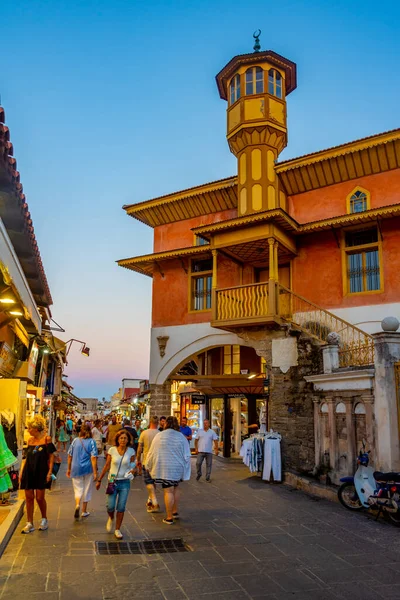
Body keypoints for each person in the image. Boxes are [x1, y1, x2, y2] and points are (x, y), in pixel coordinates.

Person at [145, 416, 191, 525]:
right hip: (178, 467)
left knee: (168, 490)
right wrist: (186, 469)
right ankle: (174, 511)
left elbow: (152, 452)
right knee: (176, 487)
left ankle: (169, 517)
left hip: (165, 467)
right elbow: (187, 454)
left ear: (166, 424)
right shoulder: (181, 437)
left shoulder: (159, 436)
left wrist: (148, 465)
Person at [96, 429, 136, 539]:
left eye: (125, 438)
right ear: (118, 439)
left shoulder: (131, 451)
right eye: (121, 438)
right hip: (112, 482)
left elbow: (133, 465)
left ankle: (117, 529)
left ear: (128, 440)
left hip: (124, 482)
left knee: (121, 507)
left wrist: (133, 470)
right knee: (110, 506)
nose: (123, 440)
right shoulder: (112, 450)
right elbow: (107, 465)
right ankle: (110, 517)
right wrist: (99, 480)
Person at [19, 415, 56, 534]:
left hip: (41, 471)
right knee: (29, 498)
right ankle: (29, 523)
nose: (28, 430)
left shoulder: (46, 439)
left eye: (30, 428)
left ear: (36, 429)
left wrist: (50, 472)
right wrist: (21, 472)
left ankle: (44, 519)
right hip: (29, 471)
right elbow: (27, 458)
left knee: (40, 498)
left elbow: (51, 457)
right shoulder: (30, 441)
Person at [67, 424, 98, 519]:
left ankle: (77, 504)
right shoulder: (92, 442)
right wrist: (95, 471)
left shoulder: (75, 441)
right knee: (87, 488)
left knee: (78, 488)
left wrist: (68, 468)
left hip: (75, 467)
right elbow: (93, 457)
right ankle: (84, 511)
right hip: (87, 468)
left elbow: (69, 455)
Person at [136, 416, 160, 512]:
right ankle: (150, 500)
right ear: (158, 423)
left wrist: (138, 459)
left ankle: (154, 502)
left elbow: (139, 448)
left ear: (150, 422)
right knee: (153, 481)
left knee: (148, 482)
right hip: (157, 461)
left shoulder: (144, 433)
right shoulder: (160, 434)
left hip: (146, 460)